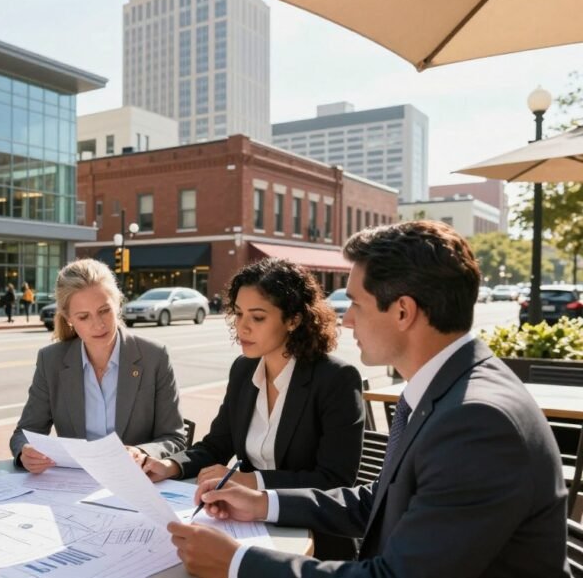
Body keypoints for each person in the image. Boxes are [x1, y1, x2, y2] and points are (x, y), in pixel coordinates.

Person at [167, 221, 570, 578]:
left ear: (402, 312)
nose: (346, 320)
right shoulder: (447, 390)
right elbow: (378, 501)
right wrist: (261, 502)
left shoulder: (477, 421)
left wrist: (238, 564)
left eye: (357, 304)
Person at [144, 258, 363, 560]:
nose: (242, 327)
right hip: (245, 526)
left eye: (257, 317)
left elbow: (335, 480)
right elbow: (218, 444)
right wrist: (171, 465)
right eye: (238, 314)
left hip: (313, 542)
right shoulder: (244, 369)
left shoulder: (336, 379)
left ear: (294, 320)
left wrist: (253, 482)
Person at [11, 258, 187, 472]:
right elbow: (25, 432)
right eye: (84, 317)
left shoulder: (154, 357)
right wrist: (25, 452)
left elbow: (174, 438)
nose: (98, 324)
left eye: (104, 310)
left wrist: (142, 453)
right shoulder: (51, 361)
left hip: (134, 482)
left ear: (118, 303)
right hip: (74, 485)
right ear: (68, 319)